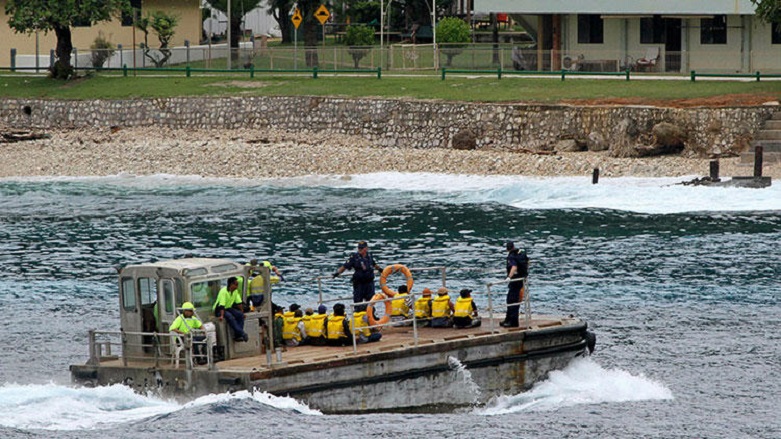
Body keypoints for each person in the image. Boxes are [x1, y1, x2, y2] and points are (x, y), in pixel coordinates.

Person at [332, 241, 381, 311]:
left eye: (362, 248)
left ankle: (371, 315)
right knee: (358, 301)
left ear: (366, 248)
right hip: (359, 284)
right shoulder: (354, 257)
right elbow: (345, 266)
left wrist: (380, 269)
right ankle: (357, 315)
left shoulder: (369, 256)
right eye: (359, 248)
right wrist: (337, 273)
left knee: (371, 301)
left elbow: (373, 264)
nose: (360, 250)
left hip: (369, 283)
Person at [212, 277, 248, 342]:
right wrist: (222, 316)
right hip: (219, 309)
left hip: (228, 308)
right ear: (231, 284)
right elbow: (221, 305)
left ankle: (238, 336)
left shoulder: (235, 292)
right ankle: (242, 333)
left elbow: (239, 303)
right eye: (236, 285)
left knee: (240, 315)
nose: (237, 287)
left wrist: (242, 313)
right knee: (230, 317)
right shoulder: (223, 291)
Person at [502, 241, 529, 328]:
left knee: (512, 300)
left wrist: (509, 277)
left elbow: (514, 267)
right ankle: (508, 319)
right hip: (520, 279)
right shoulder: (520, 253)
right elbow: (527, 263)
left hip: (515, 280)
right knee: (510, 299)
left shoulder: (511, 256)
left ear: (507, 249)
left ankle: (513, 322)